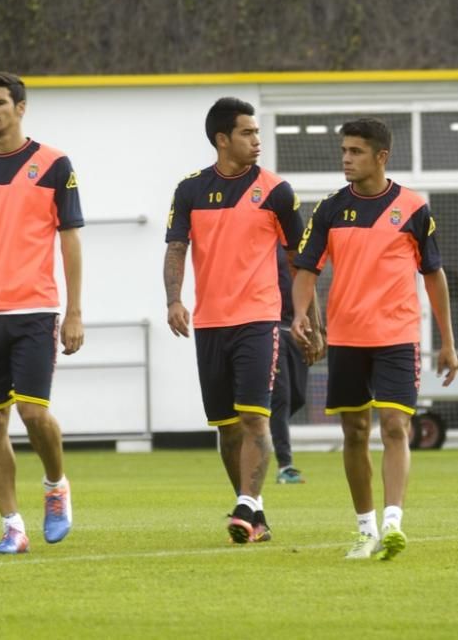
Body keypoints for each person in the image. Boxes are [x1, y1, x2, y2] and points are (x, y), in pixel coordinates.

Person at [291, 117, 458, 561]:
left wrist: (447, 340)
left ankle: (392, 523)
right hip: (347, 337)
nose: (346, 158)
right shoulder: (329, 209)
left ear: (381, 156)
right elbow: (306, 270)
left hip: (397, 336)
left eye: (356, 151)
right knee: (355, 431)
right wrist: (301, 316)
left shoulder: (414, 208)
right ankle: (364, 530)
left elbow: (434, 276)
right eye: (344, 150)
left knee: (395, 425)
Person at [164, 97, 324, 544]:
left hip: (259, 319)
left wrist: (311, 320)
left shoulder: (276, 191)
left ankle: (246, 506)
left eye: (257, 132)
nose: (257, 140)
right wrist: (174, 300)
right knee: (227, 427)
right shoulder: (190, 190)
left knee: (255, 418)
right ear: (222, 139)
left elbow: (301, 261)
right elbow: (176, 247)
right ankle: (254, 512)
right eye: (248, 133)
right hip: (210, 324)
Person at [0, 72, 84, 554]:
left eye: (0, 102)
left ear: (21, 107)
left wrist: (74, 311)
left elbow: (70, 238)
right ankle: (12, 526)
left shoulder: (52, 164)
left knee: (32, 411)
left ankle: (55, 485)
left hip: (34, 308)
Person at [271, 243, 311, 484]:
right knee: (282, 397)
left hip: (294, 327)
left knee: (298, 396)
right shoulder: (267, 244)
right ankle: (285, 465)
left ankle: (260, 425)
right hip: (270, 326)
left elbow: (308, 284)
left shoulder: (298, 246)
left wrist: (313, 323)